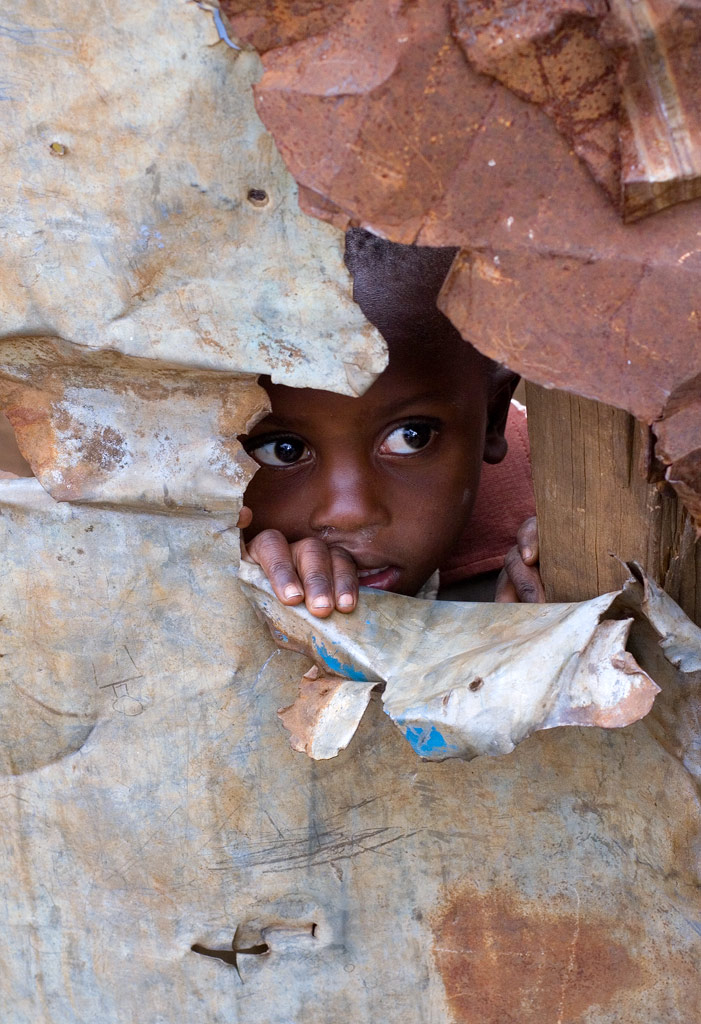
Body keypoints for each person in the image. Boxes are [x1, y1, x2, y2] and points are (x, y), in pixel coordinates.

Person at [239, 229, 543, 617]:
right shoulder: (176, 551)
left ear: (494, 415)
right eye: (284, 449)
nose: (350, 513)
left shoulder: (550, 525)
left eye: (410, 437)